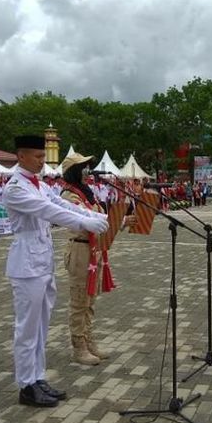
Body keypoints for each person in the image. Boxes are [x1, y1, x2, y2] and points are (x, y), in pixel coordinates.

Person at [2, 135, 108, 408]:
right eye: (37, 157)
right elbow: (48, 210)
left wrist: (93, 216)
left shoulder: (38, 184)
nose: (42, 161)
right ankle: (26, 385)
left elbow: (61, 203)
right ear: (21, 156)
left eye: (42, 156)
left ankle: (37, 378)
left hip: (41, 262)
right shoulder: (15, 188)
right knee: (27, 329)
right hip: (26, 264)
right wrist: (85, 221)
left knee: (40, 327)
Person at [59, 153, 136, 365]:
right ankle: (79, 346)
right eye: (83, 167)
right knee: (79, 301)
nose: (88, 170)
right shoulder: (69, 195)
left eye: (88, 166)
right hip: (81, 251)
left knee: (90, 299)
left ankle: (89, 340)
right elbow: (85, 220)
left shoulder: (88, 193)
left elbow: (100, 218)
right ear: (74, 171)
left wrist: (120, 218)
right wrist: (118, 222)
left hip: (95, 250)